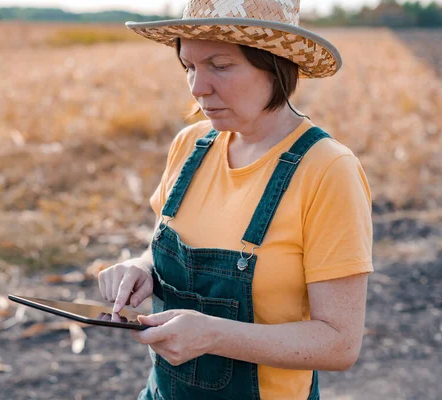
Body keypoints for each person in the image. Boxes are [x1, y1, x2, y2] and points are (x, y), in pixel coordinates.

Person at [97, 1, 373, 399]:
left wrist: (213, 336)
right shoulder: (189, 146)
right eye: (189, 66)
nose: (197, 87)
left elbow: (339, 343)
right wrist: (140, 268)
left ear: (276, 64)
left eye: (220, 65)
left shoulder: (328, 170)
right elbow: (162, 241)